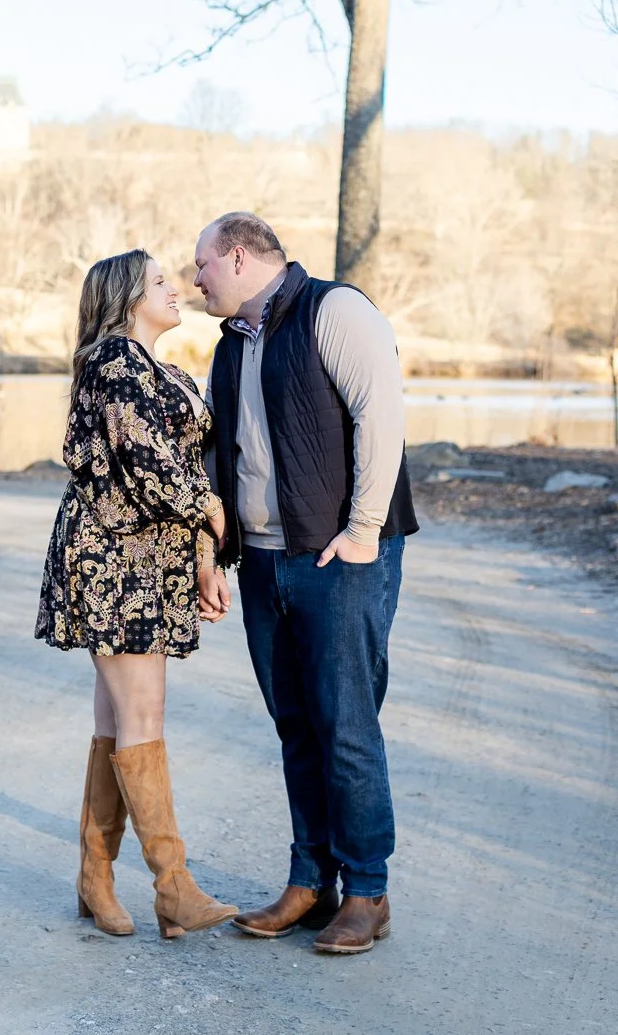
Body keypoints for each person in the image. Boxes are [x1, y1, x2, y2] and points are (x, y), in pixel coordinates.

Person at [194, 212, 418, 955]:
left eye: (200, 266)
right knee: (294, 726)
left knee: (345, 724)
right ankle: (309, 882)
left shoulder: (336, 309)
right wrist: (215, 553)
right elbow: (224, 462)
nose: (194, 280)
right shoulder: (231, 349)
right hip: (262, 561)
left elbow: (379, 419)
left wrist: (359, 533)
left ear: (236, 257)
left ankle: (367, 891)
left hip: (338, 559)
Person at [35, 248, 238, 940]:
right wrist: (211, 508)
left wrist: (207, 551)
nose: (176, 288)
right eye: (159, 282)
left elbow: (188, 462)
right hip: (113, 557)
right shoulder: (114, 362)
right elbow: (154, 469)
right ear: (126, 297)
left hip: (151, 556)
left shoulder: (165, 371)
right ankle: (173, 887)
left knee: (118, 722)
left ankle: (96, 877)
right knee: (143, 714)